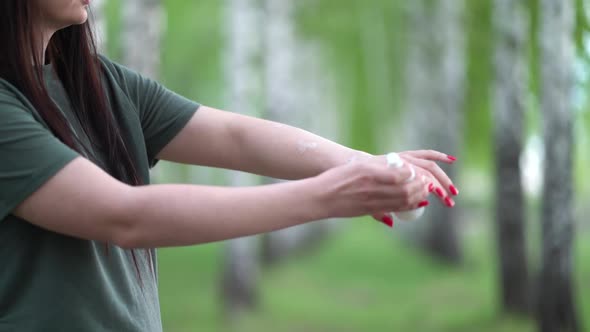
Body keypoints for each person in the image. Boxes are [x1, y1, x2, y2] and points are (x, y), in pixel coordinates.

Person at [0, 0, 459, 331]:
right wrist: (332, 195)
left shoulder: (99, 83)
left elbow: (233, 136)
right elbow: (125, 216)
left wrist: (372, 165)